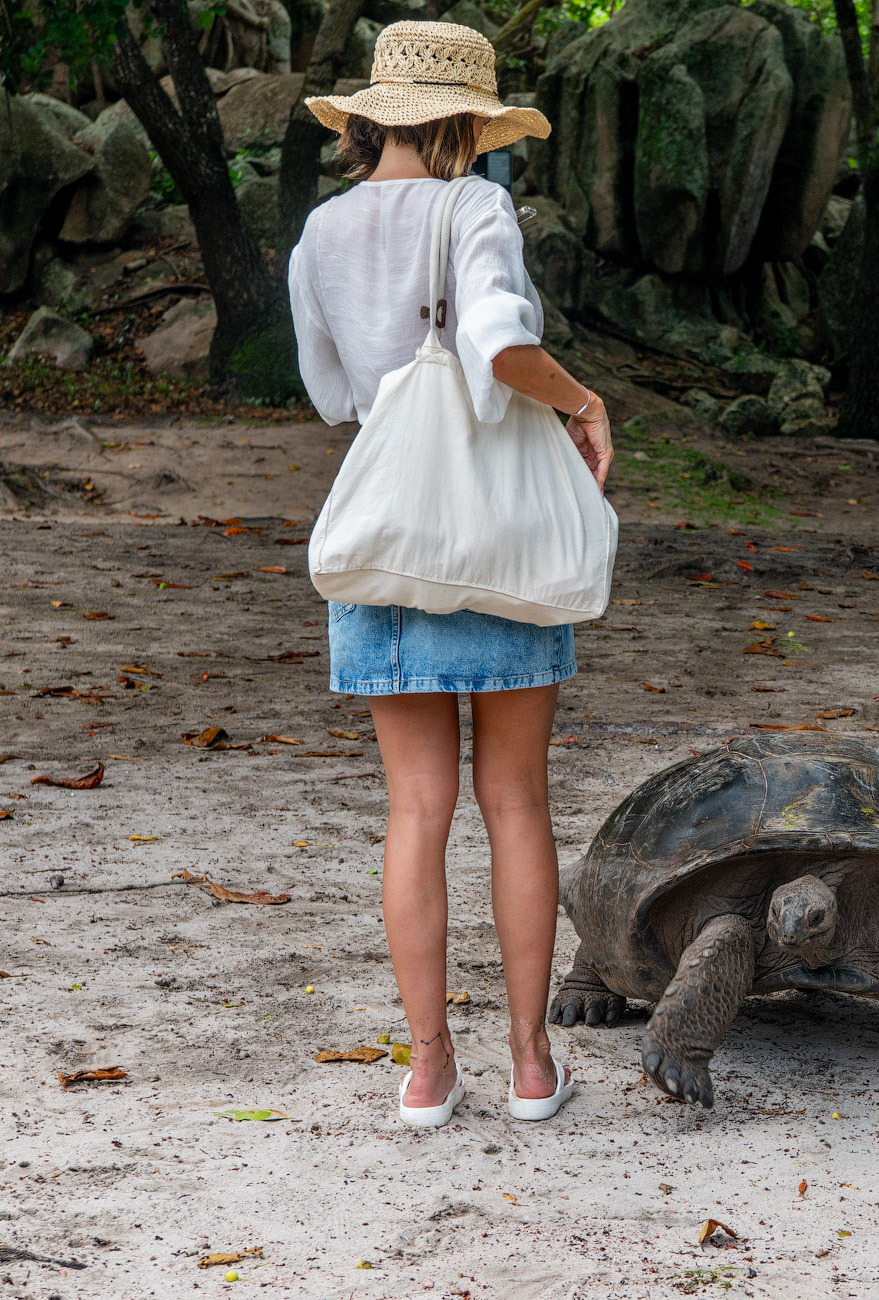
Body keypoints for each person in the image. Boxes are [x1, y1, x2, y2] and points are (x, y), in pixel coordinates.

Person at [290, 21, 612, 1128]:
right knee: (514, 800)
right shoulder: (474, 205)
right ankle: (530, 1064)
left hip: (389, 537)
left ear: (373, 117)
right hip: (495, 538)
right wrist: (580, 399)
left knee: (414, 810)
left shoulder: (321, 232)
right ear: (467, 125)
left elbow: (334, 394)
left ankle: (428, 1070)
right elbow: (495, 345)